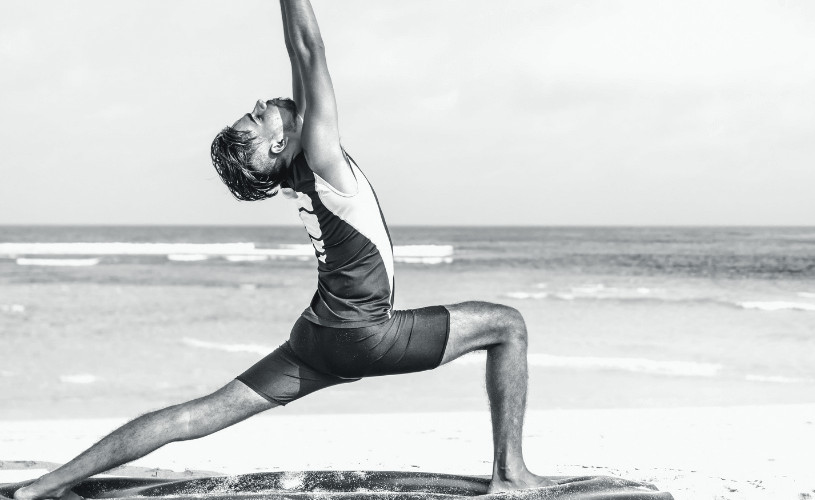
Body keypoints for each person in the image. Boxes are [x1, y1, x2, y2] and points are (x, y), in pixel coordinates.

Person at [13, 2, 554, 499]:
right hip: (363, 336)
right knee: (507, 326)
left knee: (193, 417)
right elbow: (314, 50)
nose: (260, 105)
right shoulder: (319, 154)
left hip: (315, 338)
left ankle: (47, 485)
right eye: (256, 116)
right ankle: (510, 474)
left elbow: (297, 51)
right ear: (277, 144)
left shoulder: (297, 163)